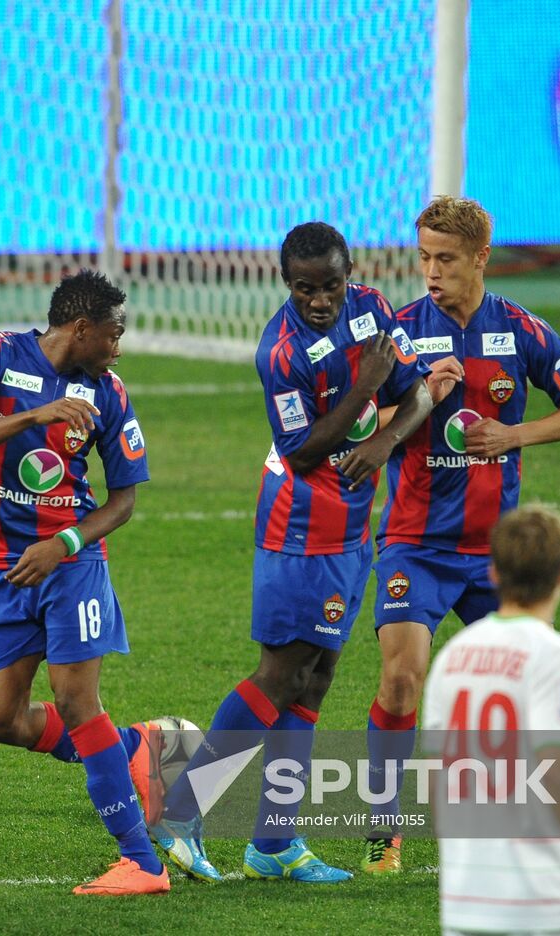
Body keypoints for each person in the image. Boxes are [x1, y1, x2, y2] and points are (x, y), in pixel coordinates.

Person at [150, 222, 432, 884]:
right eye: (305, 289)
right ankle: (181, 811)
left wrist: (387, 444)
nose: (319, 300)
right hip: (301, 528)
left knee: (318, 678)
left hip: (354, 526)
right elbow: (304, 451)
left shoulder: (373, 308)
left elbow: (416, 392)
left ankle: (274, 842)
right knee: (282, 673)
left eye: (330, 285)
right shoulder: (280, 352)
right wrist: (367, 388)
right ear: (286, 285)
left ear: (349, 274)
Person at [361, 196, 560, 874]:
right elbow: (370, 427)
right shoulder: (401, 333)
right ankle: (385, 829)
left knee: (519, 690)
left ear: (480, 259)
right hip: (415, 542)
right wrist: (422, 398)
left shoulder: (521, 330)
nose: (431, 272)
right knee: (402, 679)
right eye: (424, 258)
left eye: (446, 259)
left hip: (496, 555)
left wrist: (516, 434)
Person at [0, 271, 170, 896]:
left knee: (75, 702)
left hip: (70, 566)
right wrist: (32, 416)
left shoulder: (110, 392)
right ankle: (132, 749)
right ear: (81, 328)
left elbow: (123, 500)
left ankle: (142, 862)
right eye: (114, 334)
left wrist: (65, 543)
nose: (120, 346)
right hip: (2, 567)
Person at [422, 505, 560, 934]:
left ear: (493, 574)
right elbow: (558, 767)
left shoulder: (451, 658)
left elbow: (437, 774)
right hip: (545, 900)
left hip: (466, 900)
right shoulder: (556, 656)